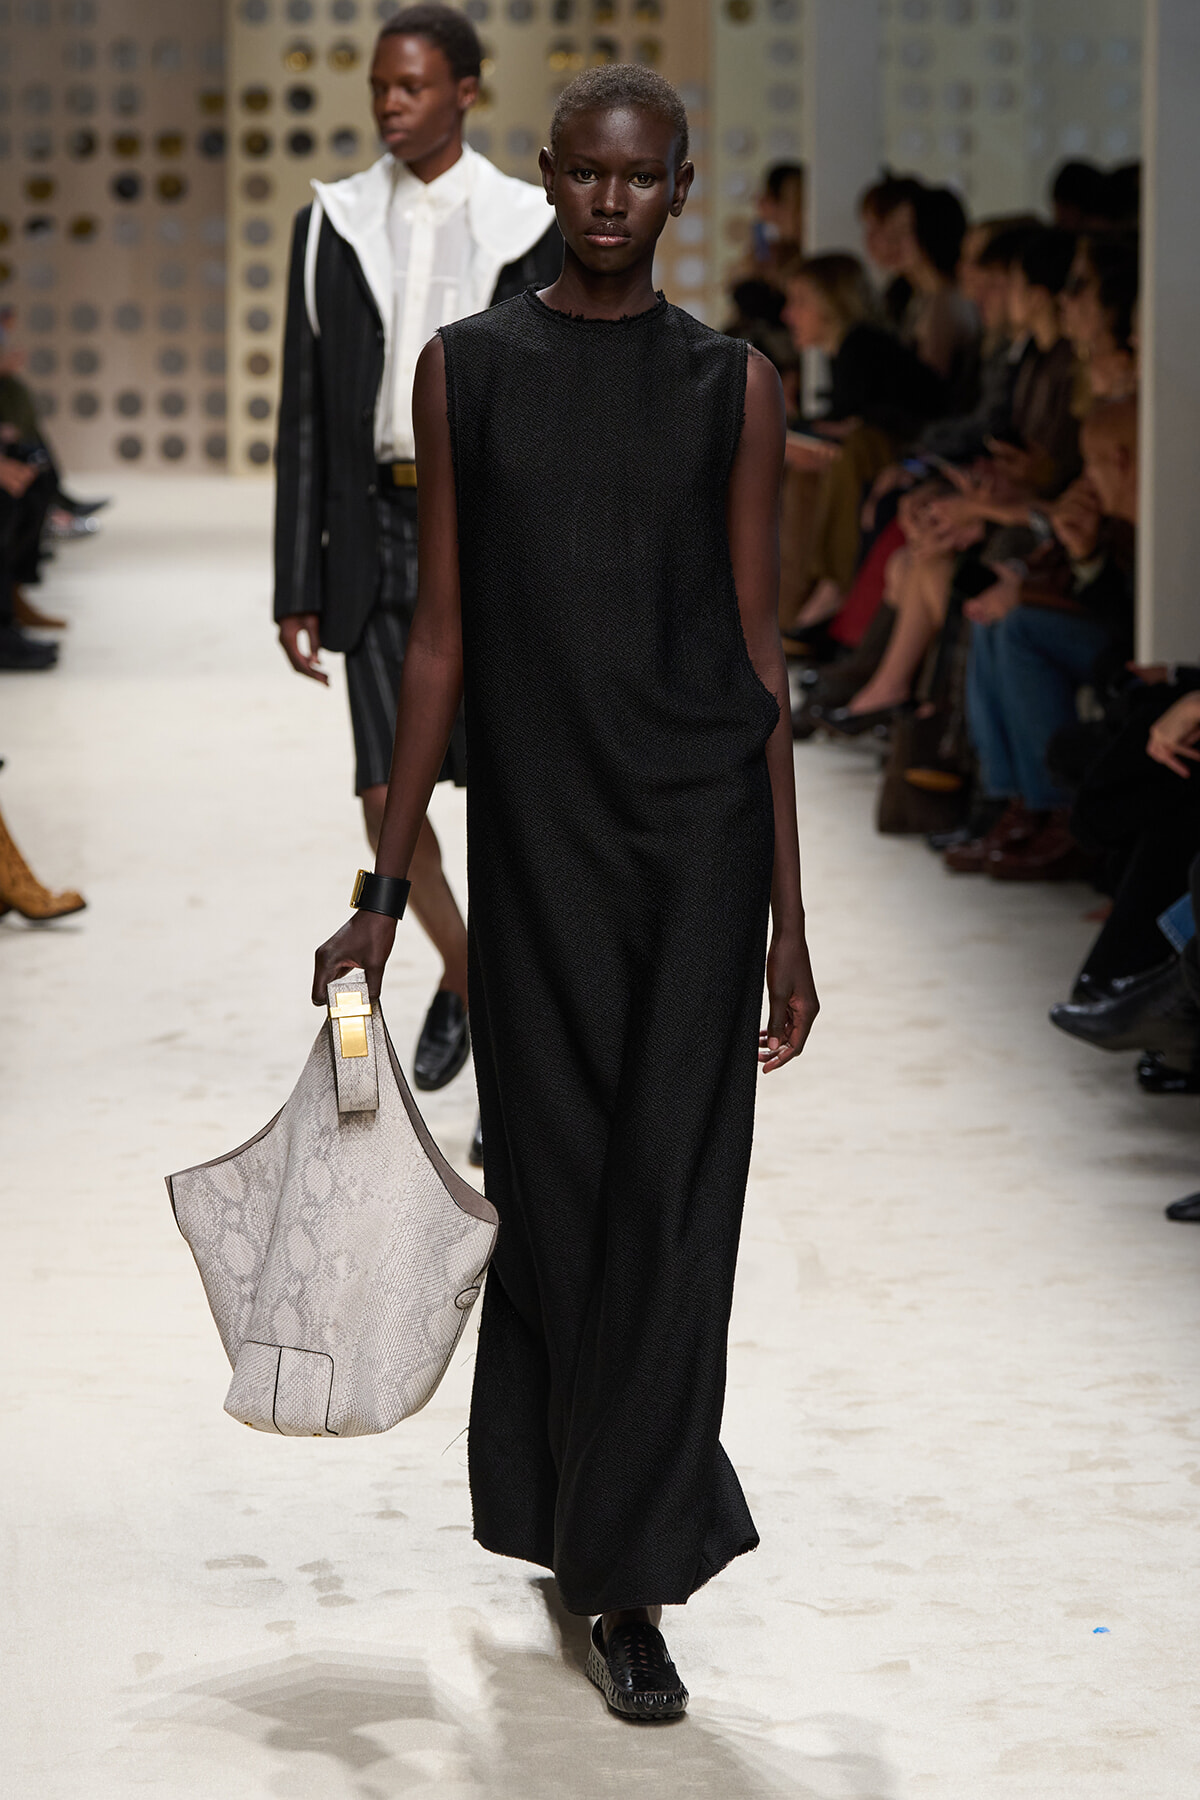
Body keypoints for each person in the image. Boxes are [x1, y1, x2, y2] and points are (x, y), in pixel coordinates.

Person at [312, 64, 818, 1719]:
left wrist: (790, 921)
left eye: (640, 178)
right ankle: (566, 1518)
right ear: (549, 181)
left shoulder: (728, 387)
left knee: (671, 1208)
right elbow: (443, 636)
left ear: (680, 184)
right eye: (584, 178)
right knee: (560, 1191)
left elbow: (760, 653)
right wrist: (387, 881)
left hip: (696, 852)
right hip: (538, 850)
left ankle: (629, 1578)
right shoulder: (470, 375)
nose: (610, 202)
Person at [274, 3, 561, 1108]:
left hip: (496, 540)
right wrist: (298, 578)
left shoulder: (525, 220)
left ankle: (504, 1017)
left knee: (506, 793)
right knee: (385, 795)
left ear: (466, 92)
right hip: (376, 533)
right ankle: (474, 972)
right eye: (381, 89)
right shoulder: (333, 221)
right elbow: (307, 411)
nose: (391, 105)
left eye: (413, 87)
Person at [944, 398, 1137, 879]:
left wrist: (1035, 587)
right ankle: (1015, 801)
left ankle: (1056, 810)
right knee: (996, 619)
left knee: (1018, 626)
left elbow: (1130, 618)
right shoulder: (1114, 507)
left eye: (1092, 461)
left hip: (1130, 650)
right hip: (1101, 630)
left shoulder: (1151, 514)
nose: (1085, 475)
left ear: (1121, 459)